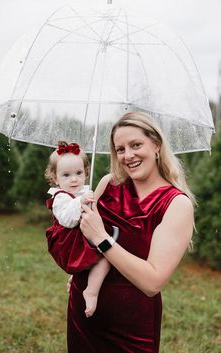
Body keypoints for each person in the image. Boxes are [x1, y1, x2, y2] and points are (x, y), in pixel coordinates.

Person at [65, 112, 194, 353]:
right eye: (120, 149)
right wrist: (79, 262)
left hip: (131, 323)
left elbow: (152, 282)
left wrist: (102, 239)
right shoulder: (108, 184)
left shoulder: (176, 204)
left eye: (136, 145)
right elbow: (87, 241)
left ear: (156, 144)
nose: (128, 155)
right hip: (84, 309)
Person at [45, 141, 111, 317]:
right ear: (55, 178)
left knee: (106, 256)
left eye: (79, 173)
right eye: (66, 175)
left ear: (86, 172)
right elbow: (67, 219)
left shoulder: (83, 192)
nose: (74, 179)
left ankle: (80, 277)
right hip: (69, 241)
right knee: (104, 257)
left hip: (83, 237)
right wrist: (80, 202)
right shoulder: (60, 197)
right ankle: (92, 291)